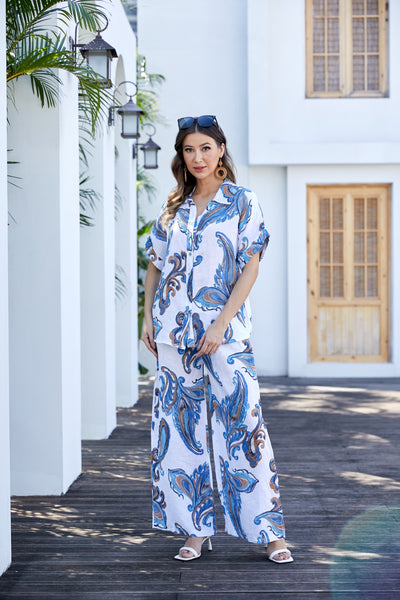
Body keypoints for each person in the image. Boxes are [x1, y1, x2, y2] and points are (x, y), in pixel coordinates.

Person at [141, 115, 293, 564]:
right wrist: (148, 319)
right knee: (179, 431)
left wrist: (220, 323)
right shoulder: (175, 206)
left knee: (245, 426)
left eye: (205, 148)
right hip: (173, 333)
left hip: (225, 334)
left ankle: (270, 532)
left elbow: (251, 265)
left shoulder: (243, 201)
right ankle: (194, 529)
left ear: (221, 149)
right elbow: (155, 265)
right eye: (189, 150)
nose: (198, 157)